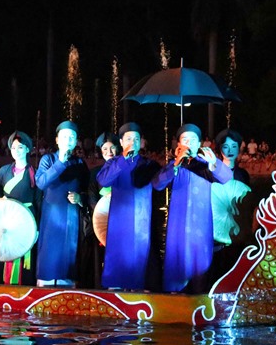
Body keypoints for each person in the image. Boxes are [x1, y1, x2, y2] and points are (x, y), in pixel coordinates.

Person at [152, 123, 233, 294]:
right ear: (178, 144)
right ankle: (175, 296)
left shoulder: (206, 165)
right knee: (177, 261)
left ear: (199, 144)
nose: (189, 143)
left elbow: (227, 177)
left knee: (200, 264)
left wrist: (214, 162)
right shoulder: (174, 166)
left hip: (200, 227)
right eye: (185, 139)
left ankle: (200, 297)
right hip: (178, 226)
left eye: (193, 140)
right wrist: (176, 163)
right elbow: (157, 184)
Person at [97, 122, 162, 291]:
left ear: (141, 142)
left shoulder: (149, 165)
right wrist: (123, 160)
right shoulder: (114, 163)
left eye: (136, 139)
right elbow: (103, 180)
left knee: (141, 264)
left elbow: (160, 184)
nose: (132, 142)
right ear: (121, 142)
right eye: (128, 139)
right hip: (119, 224)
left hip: (142, 222)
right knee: (118, 264)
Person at [35, 120, 90, 287]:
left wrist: (80, 198)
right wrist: (60, 162)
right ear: (57, 140)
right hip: (51, 214)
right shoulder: (48, 159)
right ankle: (45, 283)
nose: (68, 140)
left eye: (72, 137)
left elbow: (87, 191)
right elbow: (41, 183)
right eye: (64, 137)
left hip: (71, 215)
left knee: (69, 251)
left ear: (76, 141)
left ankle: (68, 287)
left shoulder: (79, 163)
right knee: (49, 250)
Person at [0, 131, 41, 285]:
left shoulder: (34, 173)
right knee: (4, 248)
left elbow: (38, 201)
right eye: (13, 148)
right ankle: (0, 282)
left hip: (26, 218)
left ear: (27, 149)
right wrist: (2, 201)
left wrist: (37, 227)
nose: (16, 151)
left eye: (20, 147)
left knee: (23, 251)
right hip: (6, 218)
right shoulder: (4, 171)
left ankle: (23, 285)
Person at [209, 128, 255, 284]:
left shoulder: (243, 174)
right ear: (219, 148)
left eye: (234, 146)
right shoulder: (211, 172)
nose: (230, 151)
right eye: (226, 146)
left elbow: (247, 202)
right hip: (216, 231)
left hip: (238, 230)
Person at [81, 131, 120, 289]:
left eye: (112, 148)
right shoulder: (96, 172)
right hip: (101, 221)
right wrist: (101, 215)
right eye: (104, 149)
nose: (109, 152)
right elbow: (92, 196)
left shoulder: (124, 169)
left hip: (121, 221)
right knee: (98, 259)